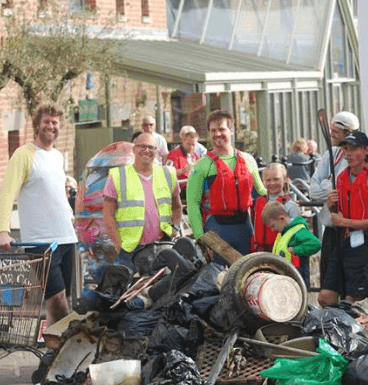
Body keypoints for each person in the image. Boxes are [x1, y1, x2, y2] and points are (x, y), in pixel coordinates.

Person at [0, 103, 79, 327]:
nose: (51, 126)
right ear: (36, 126)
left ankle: (52, 354)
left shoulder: (58, 157)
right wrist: (3, 230)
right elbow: (6, 194)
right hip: (41, 242)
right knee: (58, 299)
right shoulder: (24, 155)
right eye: (46, 122)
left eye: (55, 122)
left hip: (66, 237)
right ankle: (64, 350)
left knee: (59, 301)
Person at [319, 131, 368, 306]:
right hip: (347, 240)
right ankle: (335, 328)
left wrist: (345, 223)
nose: (348, 154)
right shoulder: (342, 178)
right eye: (346, 149)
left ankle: (354, 329)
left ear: (366, 150)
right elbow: (339, 213)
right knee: (325, 297)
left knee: (352, 300)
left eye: (353, 149)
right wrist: (331, 205)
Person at [186, 109, 266, 260]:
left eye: (221, 129)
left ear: (232, 129)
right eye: (213, 130)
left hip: (244, 227)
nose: (217, 134)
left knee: (246, 275)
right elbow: (192, 204)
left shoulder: (248, 160)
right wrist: (201, 239)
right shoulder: (202, 165)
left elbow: (262, 192)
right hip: (217, 230)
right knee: (218, 279)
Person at [102, 133, 182, 271]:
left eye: (151, 147)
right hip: (129, 251)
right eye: (142, 146)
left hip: (161, 246)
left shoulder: (168, 174)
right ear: (133, 149)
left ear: (157, 152)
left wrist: (175, 227)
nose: (147, 150)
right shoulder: (118, 175)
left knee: (161, 290)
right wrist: (117, 244)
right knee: (131, 290)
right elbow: (108, 214)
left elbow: (177, 206)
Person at [308, 111, 360, 284]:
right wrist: (329, 187)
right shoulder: (331, 154)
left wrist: (327, 185)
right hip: (331, 228)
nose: (331, 135)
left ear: (349, 132)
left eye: (335, 132)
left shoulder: (357, 157)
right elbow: (312, 189)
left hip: (349, 229)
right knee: (327, 285)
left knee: (349, 285)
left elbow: (345, 189)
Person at [263, 201, 321, 288]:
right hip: (286, 275)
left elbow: (316, 244)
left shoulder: (298, 231)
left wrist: (296, 250)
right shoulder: (283, 232)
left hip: (298, 275)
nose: (272, 229)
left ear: (281, 219)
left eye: (273, 226)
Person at [251, 163, 301, 253]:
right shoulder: (258, 203)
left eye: (276, 179)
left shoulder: (290, 205)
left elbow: (297, 235)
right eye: (268, 180)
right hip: (261, 251)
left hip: (283, 252)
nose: (272, 183)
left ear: (285, 179)